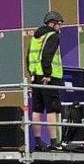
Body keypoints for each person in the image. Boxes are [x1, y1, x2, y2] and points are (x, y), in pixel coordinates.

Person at [27, 13, 67, 151]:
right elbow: (47, 56)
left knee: (37, 109)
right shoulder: (53, 36)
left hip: (36, 77)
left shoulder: (36, 36)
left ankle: (38, 142)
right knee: (52, 109)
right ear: (52, 23)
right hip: (48, 78)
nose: (60, 26)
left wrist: (33, 73)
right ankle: (54, 142)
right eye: (59, 24)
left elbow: (29, 57)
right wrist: (48, 74)